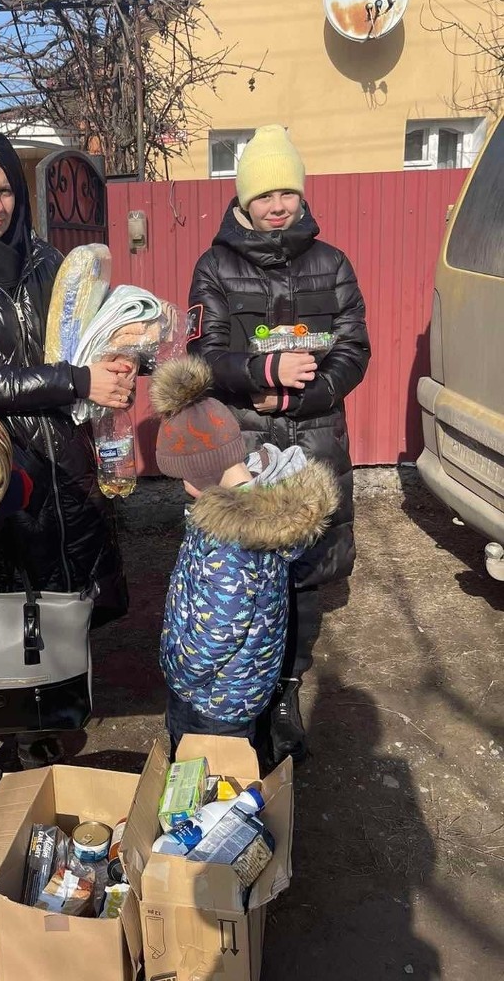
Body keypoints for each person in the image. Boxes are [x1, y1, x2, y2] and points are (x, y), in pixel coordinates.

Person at [0, 127, 133, 763]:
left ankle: (56, 726)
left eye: (6, 189)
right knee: (2, 613)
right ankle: (3, 746)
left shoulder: (45, 261)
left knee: (65, 602)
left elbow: (82, 336)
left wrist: (120, 356)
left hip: (65, 455)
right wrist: (77, 379)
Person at [186, 124, 370, 763]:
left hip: (316, 445)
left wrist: (298, 397)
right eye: (266, 194)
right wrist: (262, 377)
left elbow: (353, 350)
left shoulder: (332, 263)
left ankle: (288, 689)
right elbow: (202, 357)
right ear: (243, 199)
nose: (278, 205)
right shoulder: (215, 266)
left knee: (306, 580)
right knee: (246, 579)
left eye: (288, 191)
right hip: (247, 451)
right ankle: (244, 696)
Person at [149, 354, 339, 757]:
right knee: (228, 766)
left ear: (202, 476)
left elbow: (218, 632)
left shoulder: (229, 541)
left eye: (183, 476)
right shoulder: (262, 512)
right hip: (242, 685)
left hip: (212, 695)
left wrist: (179, 671)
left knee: (203, 774)